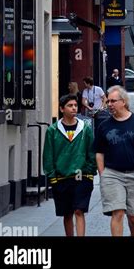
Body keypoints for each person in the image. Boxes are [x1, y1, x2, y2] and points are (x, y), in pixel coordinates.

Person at [94, 86, 134, 237]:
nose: (109, 104)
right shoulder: (104, 125)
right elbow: (99, 152)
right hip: (112, 175)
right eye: (108, 101)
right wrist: (103, 174)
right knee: (118, 212)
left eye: (113, 101)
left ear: (123, 102)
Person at [42, 94, 96, 236]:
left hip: (82, 177)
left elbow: (92, 152)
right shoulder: (52, 131)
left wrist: (90, 173)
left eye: (75, 105)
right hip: (61, 179)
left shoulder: (85, 129)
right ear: (61, 109)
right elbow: (48, 155)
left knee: (79, 210)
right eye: (70, 106)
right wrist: (52, 177)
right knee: (67, 213)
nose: (74, 108)